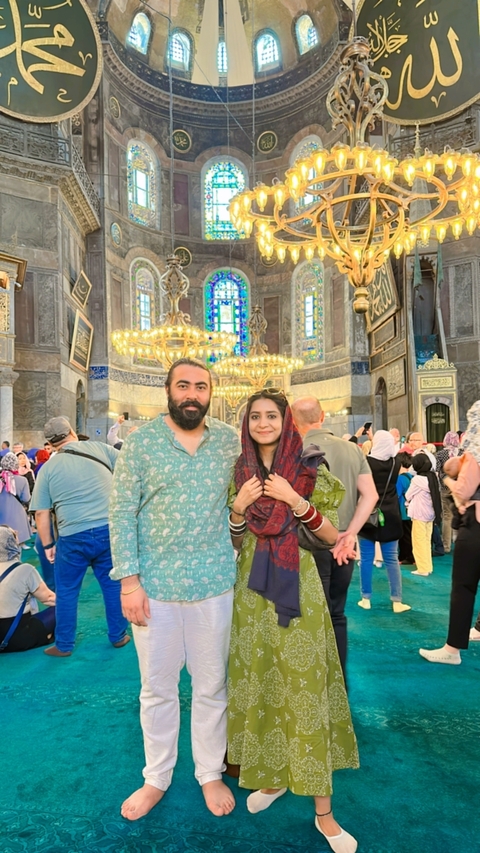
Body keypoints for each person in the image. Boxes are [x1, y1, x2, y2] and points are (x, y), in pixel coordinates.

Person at [228, 389, 359, 853]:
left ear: (285, 421)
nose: (264, 423)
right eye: (256, 416)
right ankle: (274, 776)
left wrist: (292, 499)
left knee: (304, 689)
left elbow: (328, 535)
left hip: (298, 590)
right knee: (262, 682)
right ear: (247, 423)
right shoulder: (240, 470)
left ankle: (324, 813)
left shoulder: (308, 465)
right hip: (251, 594)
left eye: (272, 416)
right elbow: (236, 542)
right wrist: (241, 508)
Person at [109, 358, 240, 821]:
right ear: (168, 390)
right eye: (183, 385)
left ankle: (209, 772)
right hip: (155, 588)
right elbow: (122, 512)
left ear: (211, 392)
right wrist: (129, 583)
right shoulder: (141, 443)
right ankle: (156, 777)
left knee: (211, 686)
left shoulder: (227, 440)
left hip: (213, 584)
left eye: (200, 387)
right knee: (158, 689)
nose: (191, 394)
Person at [291, 397, 377, 677]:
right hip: (343, 545)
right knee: (337, 614)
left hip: (305, 546)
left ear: (292, 421)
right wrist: (350, 533)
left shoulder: (293, 451)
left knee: (305, 616)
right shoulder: (353, 449)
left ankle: (310, 681)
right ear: (323, 416)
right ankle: (337, 682)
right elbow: (371, 495)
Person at [30, 416, 128, 657]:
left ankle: (64, 645)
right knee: (112, 585)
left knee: (66, 590)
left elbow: (41, 513)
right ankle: (118, 636)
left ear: (50, 443)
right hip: (108, 529)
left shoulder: (48, 468)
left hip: (72, 536)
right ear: (72, 432)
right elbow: (129, 470)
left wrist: (48, 544)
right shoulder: (100, 449)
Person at [419, 401, 480, 665]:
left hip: (476, 523)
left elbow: (464, 490)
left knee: (464, 586)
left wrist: (448, 480)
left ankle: (452, 649)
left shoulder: (476, 453)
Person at [357, 431, 411, 613]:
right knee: (391, 560)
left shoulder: (366, 462)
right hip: (391, 516)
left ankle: (365, 598)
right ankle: (397, 601)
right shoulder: (396, 462)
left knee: (366, 559)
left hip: (367, 513)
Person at [0, 526, 56, 652]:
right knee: (62, 608)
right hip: (18, 637)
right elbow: (49, 599)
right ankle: (48, 636)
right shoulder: (24, 569)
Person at [405, 454, 442, 577]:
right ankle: (428, 566)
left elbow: (408, 495)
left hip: (419, 513)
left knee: (418, 541)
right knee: (426, 540)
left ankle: (422, 568)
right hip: (431, 513)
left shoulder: (417, 480)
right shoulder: (433, 477)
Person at [436, 431, 460, 554]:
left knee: (446, 517)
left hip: (445, 488)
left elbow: (437, 471)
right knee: (461, 514)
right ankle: (459, 542)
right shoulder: (463, 454)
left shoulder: (440, 454)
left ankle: (446, 545)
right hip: (460, 489)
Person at [0, 452, 31, 544]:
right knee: (17, 546)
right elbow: (26, 498)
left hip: (1, 516)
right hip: (17, 516)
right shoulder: (23, 480)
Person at [396, 452, 414, 565]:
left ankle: (404, 557)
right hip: (411, 511)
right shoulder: (411, 476)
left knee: (404, 537)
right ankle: (412, 557)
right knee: (410, 535)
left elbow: (396, 494)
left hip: (402, 511)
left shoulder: (399, 479)